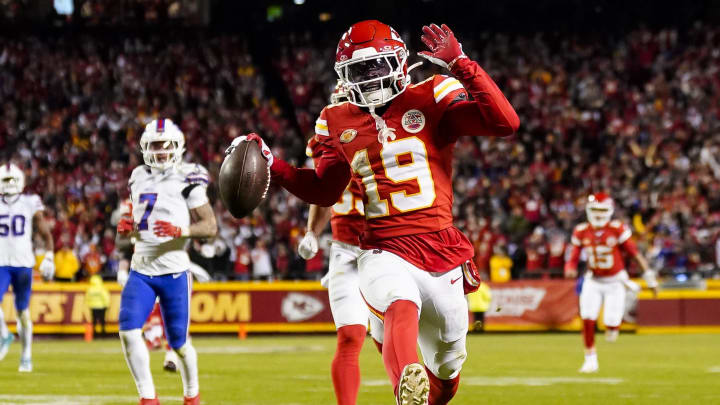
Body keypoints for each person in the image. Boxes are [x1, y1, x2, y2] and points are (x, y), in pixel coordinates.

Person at [228, 20, 518, 405]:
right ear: (344, 76)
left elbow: (505, 123)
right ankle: (404, 385)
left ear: (399, 63)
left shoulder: (432, 92)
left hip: (441, 247)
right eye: (359, 70)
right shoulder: (337, 119)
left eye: (377, 66)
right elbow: (325, 188)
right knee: (398, 302)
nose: (369, 78)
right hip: (382, 246)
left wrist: (462, 63)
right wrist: (273, 165)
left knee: (448, 368)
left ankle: (426, 393)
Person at [116, 119, 217, 405]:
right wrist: (126, 230)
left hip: (174, 271)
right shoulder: (137, 175)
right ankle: (148, 398)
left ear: (178, 146)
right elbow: (130, 230)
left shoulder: (190, 176)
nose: (160, 151)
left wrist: (181, 231)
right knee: (128, 330)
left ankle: (192, 395)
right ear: (145, 148)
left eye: (165, 145)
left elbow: (209, 226)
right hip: (141, 269)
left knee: (180, 345)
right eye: (154, 146)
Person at [297, 135, 384, 405]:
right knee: (349, 337)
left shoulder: (385, 139)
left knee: (388, 340)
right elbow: (324, 194)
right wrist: (312, 231)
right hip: (345, 252)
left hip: (386, 251)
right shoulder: (329, 147)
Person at [564, 193, 659, 373]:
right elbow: (573, 255)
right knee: (587, 318)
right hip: (593, 279)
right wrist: (570, 267)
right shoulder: (581, 230)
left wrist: (650, 278)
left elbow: (635, 254)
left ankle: (613, 326)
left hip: (615, 281)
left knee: (612, 324)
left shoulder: (617, 229)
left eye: (602, 210)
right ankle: (590, 359)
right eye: (595, 210)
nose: (598, 214)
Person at [0, 163, 55, 372]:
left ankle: (26, 355)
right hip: (1, 262)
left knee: (23, 313)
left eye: (13, 180)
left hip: (23, 263)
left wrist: (49, 256)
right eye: (6, 180)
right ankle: (4, 334)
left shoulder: (29, 202)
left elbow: (44, 232)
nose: (10, 184)